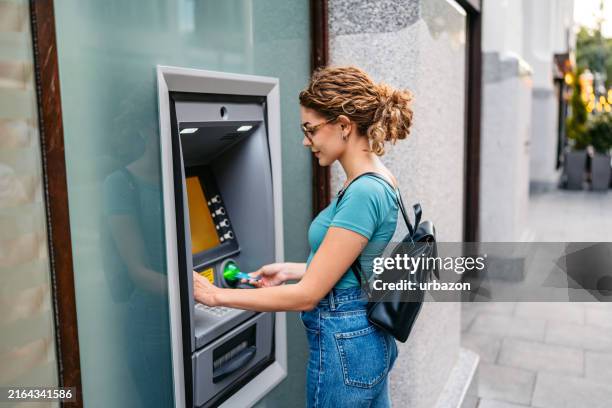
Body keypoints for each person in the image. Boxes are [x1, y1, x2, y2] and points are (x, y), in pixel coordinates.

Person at [193, 65, 414, 407]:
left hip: (345, 343)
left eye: (311, 130)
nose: (305, 141)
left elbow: (308, 296)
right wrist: (290, 270)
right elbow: (354, 264)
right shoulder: (374, 179)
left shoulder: (364, 191)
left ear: (343, 125)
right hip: (361, 337)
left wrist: (216, 296)